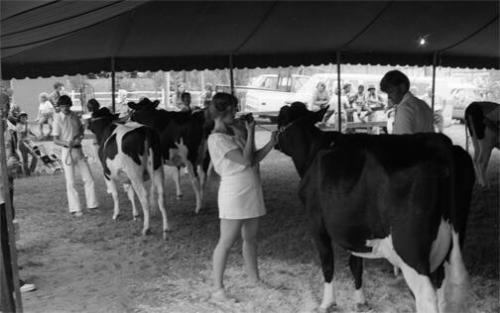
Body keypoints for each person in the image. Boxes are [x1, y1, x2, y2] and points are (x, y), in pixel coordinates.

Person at [207, 92, 277, 302]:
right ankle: (218, 289)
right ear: (225, 112)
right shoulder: (216, 139)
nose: (236, 114)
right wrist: (251, 131)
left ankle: (254, 279)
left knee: (251, 239)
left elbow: (253, 158)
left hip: (250, 189)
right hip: (234, 192)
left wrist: (271, 143)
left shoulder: (232, 134)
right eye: (233, 110)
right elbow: (245, 160)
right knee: (226, 242)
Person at [0, 93, 36, 310]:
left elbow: (9, 154)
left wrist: (12, 163)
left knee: (7, 235)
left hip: (6, 190)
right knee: (3, 238)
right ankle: (11, 283)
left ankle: (11, 278)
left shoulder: (8, 128)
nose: (5, 110)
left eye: (5, 106)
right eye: (2, 107)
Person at [52, 95, 98, 216]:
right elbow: (55, 140)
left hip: (79, 151)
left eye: (67, 105)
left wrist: (80, 135)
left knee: (89, 179)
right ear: (59, 107)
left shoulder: (75, 116)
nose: (65, 108)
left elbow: (81, 131)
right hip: (67, 151)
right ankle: (75, 208)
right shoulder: (57, 119)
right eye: (62, 106)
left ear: (70, 105)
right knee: (71, 182)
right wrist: (67, 142)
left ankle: (92, 205)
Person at [380, 70, 434, 134]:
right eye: (387, 93)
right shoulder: (423, 104)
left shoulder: (404, 109)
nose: (389, 97)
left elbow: (404, 141)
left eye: (391, 92)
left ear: (402, 87)